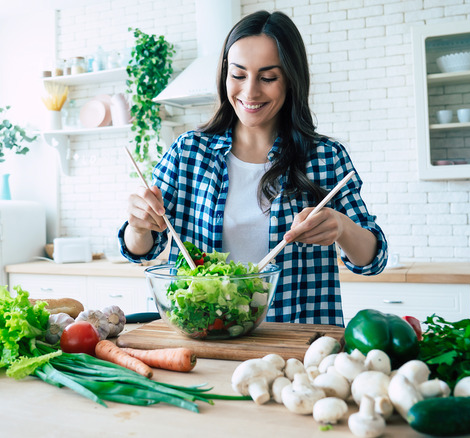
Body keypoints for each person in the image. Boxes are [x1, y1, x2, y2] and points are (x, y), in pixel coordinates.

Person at [117, 10, 388, 326]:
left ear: (291, 79)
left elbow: (373, 260)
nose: (250, 92)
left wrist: (341, 227)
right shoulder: (188, 152)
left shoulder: (326, 157)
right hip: (203, 338)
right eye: (238, 75)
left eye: (268, 77)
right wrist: (138, 225)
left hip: (295, 342)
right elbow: (143, 252)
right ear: (224, 75)